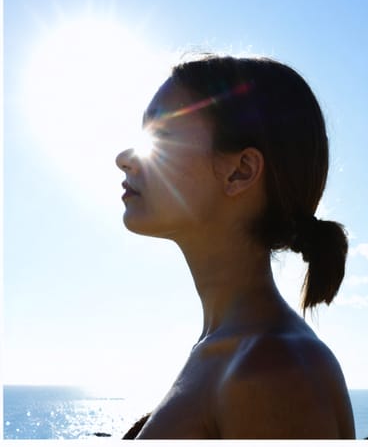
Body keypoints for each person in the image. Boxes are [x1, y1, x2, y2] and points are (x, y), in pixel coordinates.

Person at [115, 55, 355, 439]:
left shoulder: (272, 370)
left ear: (241, 171)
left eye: (164, 135)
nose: (125, 158)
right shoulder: (230, 351)